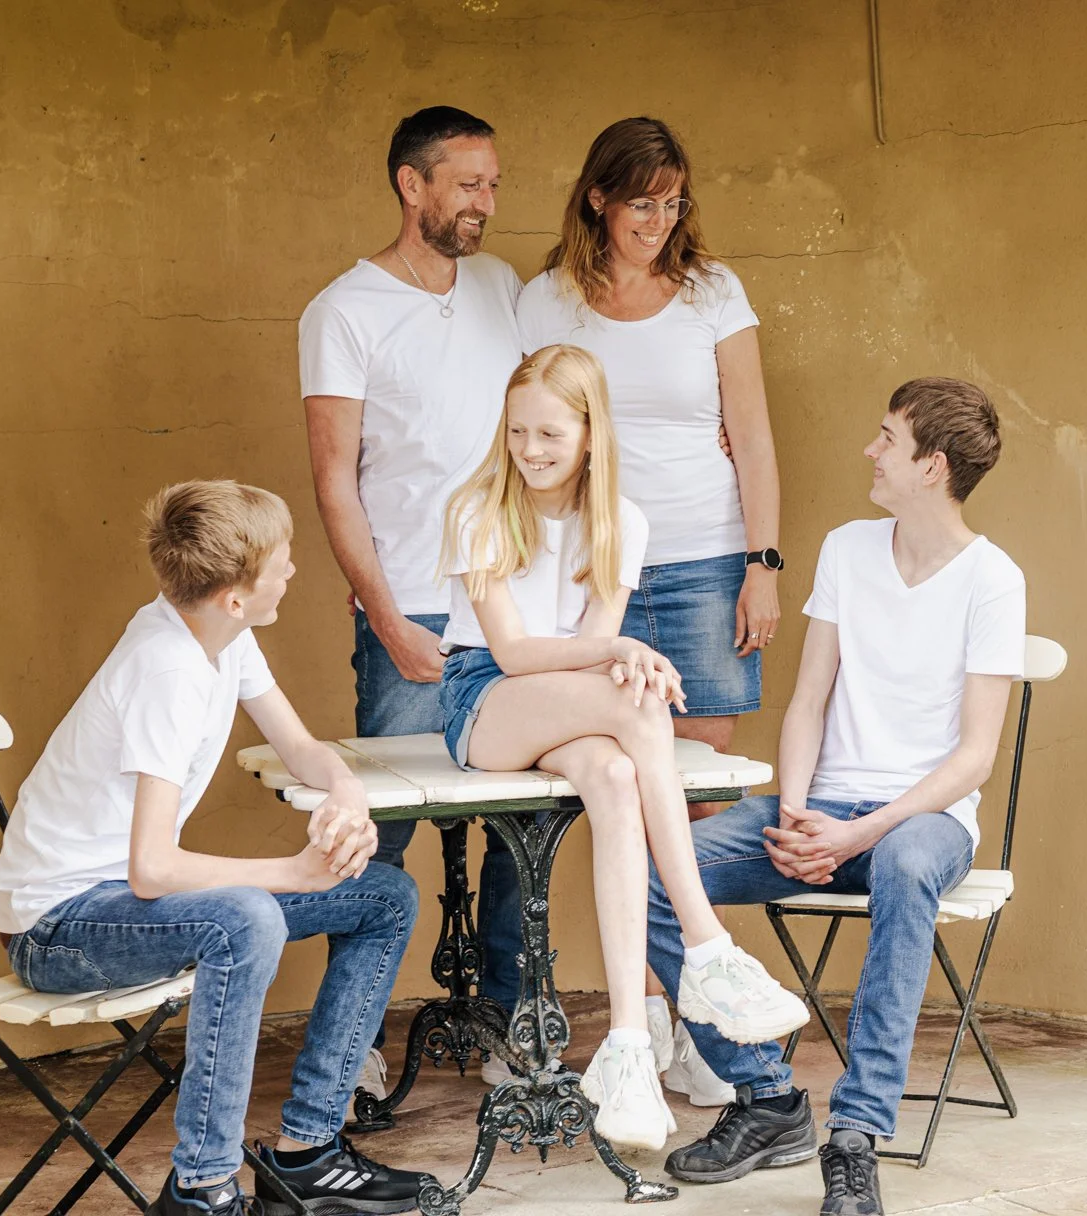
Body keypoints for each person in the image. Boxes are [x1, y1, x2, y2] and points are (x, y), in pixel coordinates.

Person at [0, 481, 429, 1216]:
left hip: (121, 908)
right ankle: (201, 1187)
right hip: (58, 928)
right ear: (234, 596)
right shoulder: (167, 671)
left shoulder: (221, 635)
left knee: (384, 898)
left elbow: (297, 746)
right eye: (282, 562)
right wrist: (294, 872)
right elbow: (153, 868)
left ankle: (308, 1154)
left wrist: (347, 793)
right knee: (245, 921)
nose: (293, 570)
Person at [642, 378, 1026, 1216]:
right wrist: (794, 814)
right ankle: (768, 1098)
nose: (870, 451)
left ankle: (855, 1137)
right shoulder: (849, 548)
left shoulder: (993, 580)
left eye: (887, 438)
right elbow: (808, 702)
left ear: (933, 466)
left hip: (921, 822)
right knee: (650, 873)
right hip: (818, 812)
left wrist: (860, 835)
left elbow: (974, 758)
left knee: (906, 864)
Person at [436, 344, 807, 1151]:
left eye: (550, 435)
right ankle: (706, 949)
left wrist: (614, 655)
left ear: (591, 434)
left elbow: (592, 650)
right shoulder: (478, 508)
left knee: (612, 773)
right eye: (518, 431)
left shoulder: (621, 523)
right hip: (484, 699)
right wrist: (619, 655)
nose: (529, 450)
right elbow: (513, 654)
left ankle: (629, 1047)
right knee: (638, 701)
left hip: (573, 704)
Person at [517, 115, 783, 1104]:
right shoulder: (548, 300)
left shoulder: (713, 292)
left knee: (699, 802)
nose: (659, 221)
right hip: (596, 570)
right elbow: (525, 431)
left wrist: (762, 563)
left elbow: (752, 433)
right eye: (641, 203)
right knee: (623, 791)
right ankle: (654, 1011)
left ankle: (701, 1023)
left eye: (673, 203)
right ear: (597, 199)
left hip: (708, 562)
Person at [299, 105, 526, 1087]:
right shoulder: (343, 312)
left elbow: (561, 408)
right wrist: (386, 617)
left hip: (511, 612)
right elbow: (333, 481)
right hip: (412, 612)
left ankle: (517, 1029)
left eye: (492, 184)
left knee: (525, 829)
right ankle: (348, 1051)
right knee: (377, 836)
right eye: (468, 184)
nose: (485, 202)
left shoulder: (503, 288)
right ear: (411, 184)